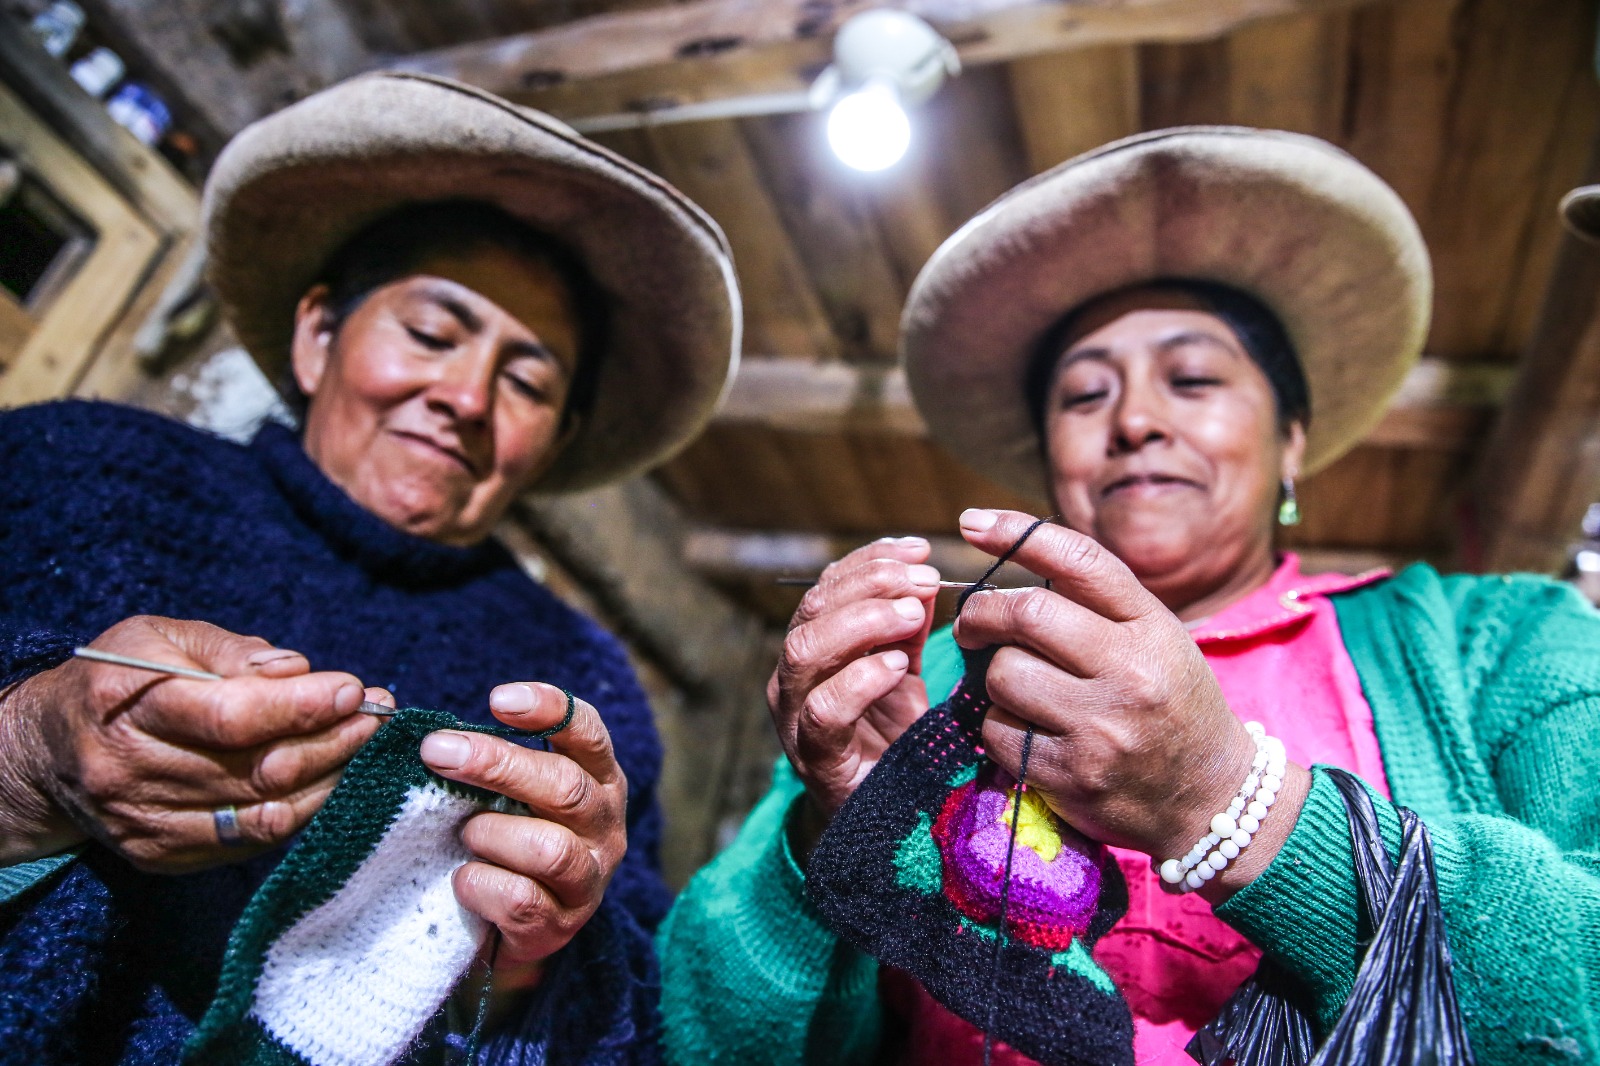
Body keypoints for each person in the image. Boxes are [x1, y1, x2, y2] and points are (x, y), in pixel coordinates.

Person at [659, 127, 1600, 1065]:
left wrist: (1228, 800)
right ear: (1051, 462)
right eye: (1083, 398)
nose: (1136, 422)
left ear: (1293, 441)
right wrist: (838, 843)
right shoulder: (919, 689)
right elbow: (699, 1034)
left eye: (1192, 379)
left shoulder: (1503, 640)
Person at [0, 71, 738, 1063]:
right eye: (431, 332)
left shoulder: (583, 684)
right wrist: (29, 756)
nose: (466, 396)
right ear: (317, 335)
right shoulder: (74, 472)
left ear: (552, 445)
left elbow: (631, 1009)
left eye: (526, 381)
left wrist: (547, 951)